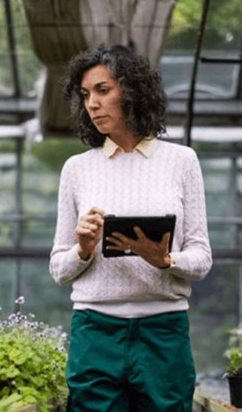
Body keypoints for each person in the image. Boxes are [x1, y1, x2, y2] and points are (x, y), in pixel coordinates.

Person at [49, 44, 213, 411]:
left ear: (133, 91)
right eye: (85, 95)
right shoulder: (77, 169)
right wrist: (83, 249)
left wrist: (166, 260)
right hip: (95, 331)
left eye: (103, 90)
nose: (92, 103)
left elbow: (202, 258)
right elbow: (59, 269)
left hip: (163, 332)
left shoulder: (182, 161)